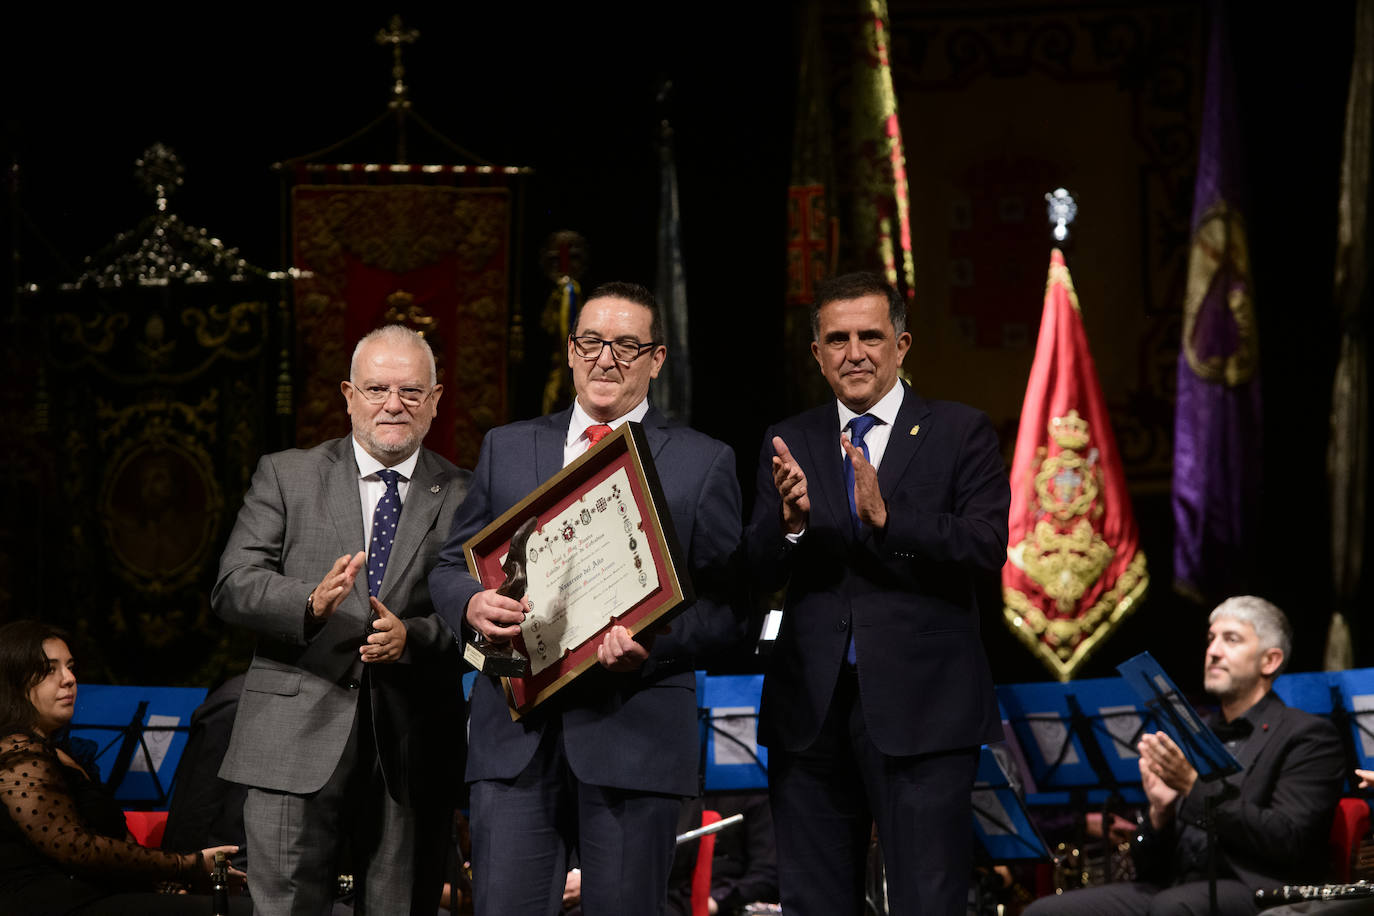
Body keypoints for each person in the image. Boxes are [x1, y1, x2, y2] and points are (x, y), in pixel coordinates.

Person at [430, 281, 744, 915]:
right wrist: (469, 605)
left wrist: (651, 646)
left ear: (657, 359)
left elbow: (729, 608)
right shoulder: (509, 447)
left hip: (635, 737)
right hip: (515, 738)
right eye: (592, 342)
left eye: (628, 345)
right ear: (571, 352)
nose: (608, 358)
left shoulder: (704, 463)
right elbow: (451, 563)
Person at [746, 271, 1009, 914]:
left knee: (927, 899)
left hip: (924, 709)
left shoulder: (959, 431)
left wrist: (890, 520)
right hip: (811, 710)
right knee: (813, 902)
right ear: (817, 353)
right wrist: (791, 526)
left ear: (902, 343)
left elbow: (985, 546)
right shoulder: (790, 440)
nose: (854, 352)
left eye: (870, 335)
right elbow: (751, 569)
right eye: (837, 339)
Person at [214, 324, 470, 915]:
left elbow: (479, 619)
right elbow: (233, 585)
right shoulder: (286, 474)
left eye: (410, 391)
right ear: (348, 395)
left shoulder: (465, 493)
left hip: (411, 743)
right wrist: (307, 604)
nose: (392, 404)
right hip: (292, 737)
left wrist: (415, 638)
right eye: (376, 388)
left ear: (435, 401)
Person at [1024, 596, 1347, 915]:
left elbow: (1288, 841)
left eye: (1231, 640)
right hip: (1178, 885)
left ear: (1270, 661)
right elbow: (1148, 867)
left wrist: (1194, 788)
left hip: (1262, 888)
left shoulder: (1307, 735)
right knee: (1045, 911)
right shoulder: (1193, 732)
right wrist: (1159, 814)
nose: (1213, 652)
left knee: (1173, 906)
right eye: (1211, 640)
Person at [0, 620, 248, 914]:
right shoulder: (17, 752)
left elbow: (115, 843)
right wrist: (187, 865)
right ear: (14, 681)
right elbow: (73, 846)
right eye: (50, 669)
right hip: (51, 903)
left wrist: (169, 887)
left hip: (95, 895)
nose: (68, 679)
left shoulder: (59, 752)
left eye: (70, 666)